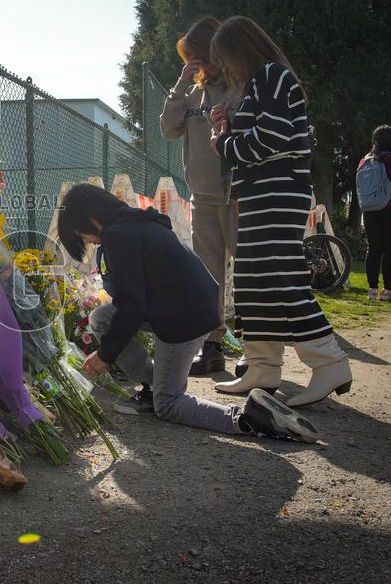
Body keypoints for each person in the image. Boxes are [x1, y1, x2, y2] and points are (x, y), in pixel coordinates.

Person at [58, 183, 318, 442]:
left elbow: (132, 306)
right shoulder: (136, 223)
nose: (89, 241)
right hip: (191, 306)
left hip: (183, 318)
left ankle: (249, 418)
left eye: (82, 235)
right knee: (102, 317)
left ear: (90, 217)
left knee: (168, 405)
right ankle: (153, 386)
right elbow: (132, 299)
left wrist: (105, 355)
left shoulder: (118, 235)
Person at [208, 16, 352, 407]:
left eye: (225, 58)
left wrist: (223, 142)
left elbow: (267, 140)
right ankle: (262, 366)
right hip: (263, 194)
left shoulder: (271, 76)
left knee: (279, 275)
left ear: (242, 49)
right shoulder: (261, 83)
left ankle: (329, 362)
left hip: (277, 192)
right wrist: (228, 125)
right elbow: (259, 136)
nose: (223, 67)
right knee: (254, 278)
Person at [159, 15, 241, 377]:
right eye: (188, 58)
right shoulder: (191, 93)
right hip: (203, 196)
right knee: (209, 275)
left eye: (198, 55)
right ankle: (213, 347)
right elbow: (168, 129)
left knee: (249, 270)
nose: (194, 63)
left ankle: (256, 348)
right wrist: (180, 81)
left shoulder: (240, 85)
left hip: (239, 194)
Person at [358, 125, 391, 300]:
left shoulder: (365, 160)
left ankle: (372, 290)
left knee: (373, 248)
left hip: (369, 209)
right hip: (388, 208)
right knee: (388, 249)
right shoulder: (388, 160)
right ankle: (387, 290)